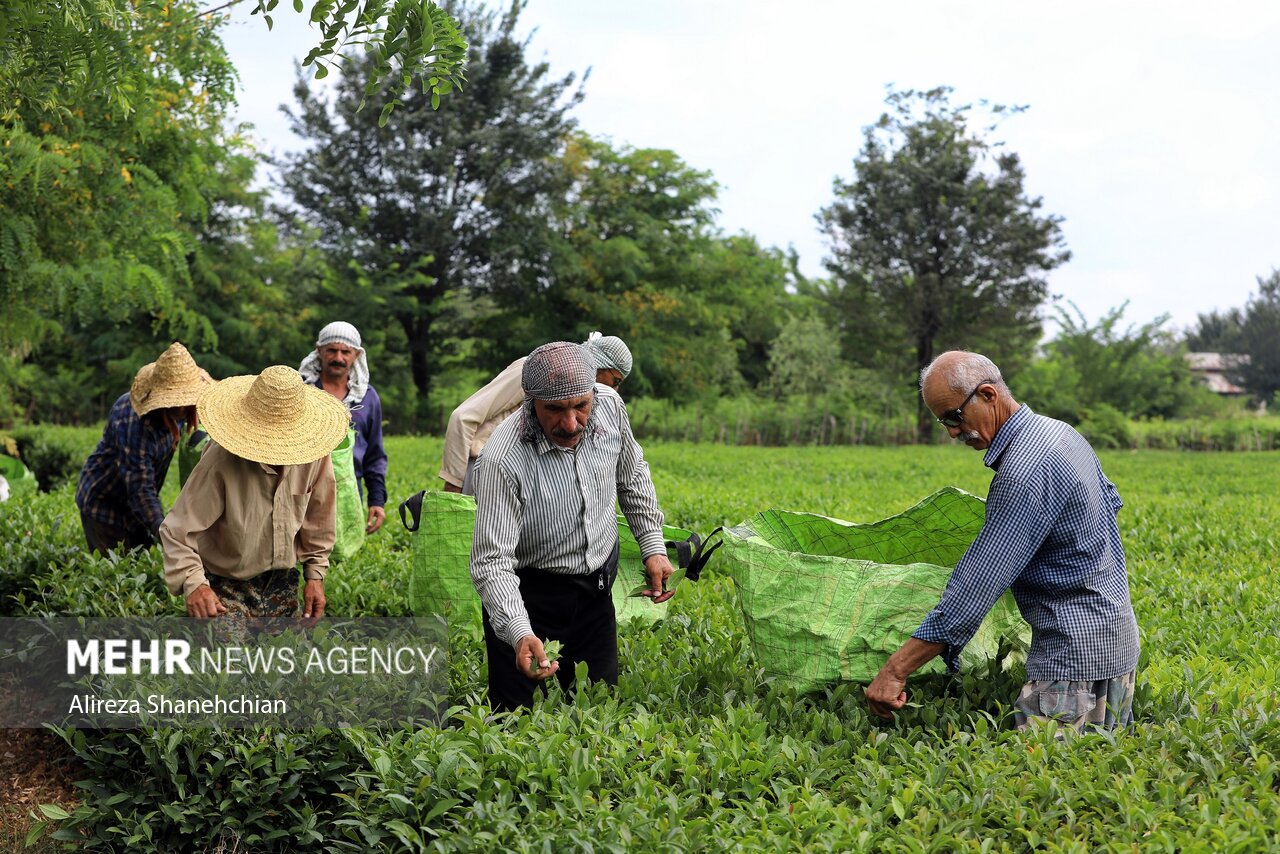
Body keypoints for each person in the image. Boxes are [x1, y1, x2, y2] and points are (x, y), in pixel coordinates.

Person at [866, 350, 1141, 733]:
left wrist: (894, 671)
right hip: (1116, 642)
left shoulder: (1023, 471)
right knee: (1097, 775)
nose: (951, 432)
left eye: (954, 417)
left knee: (1036, 784)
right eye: (942, 422)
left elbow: (974, 589)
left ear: (988, 395)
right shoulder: (1061, 433)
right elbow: (1108, 507)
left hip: (1071, 663)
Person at [469, 341, 672, 712]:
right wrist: (518, 631)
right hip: (530, 595)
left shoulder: (610, 406)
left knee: (598, 708)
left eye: (581, 406)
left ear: (594, 391)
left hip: (595, 591)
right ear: (531, 401)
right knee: (515, 718)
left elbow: (632, 476)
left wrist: (653, 546)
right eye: (555, 410)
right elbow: (491, 560)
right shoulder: (503, 459)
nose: (571, 423)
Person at [159, 365, 350, 625]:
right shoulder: (221, 460)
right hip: (226, 582)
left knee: (290, 657)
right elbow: (176, 532)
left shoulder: (315, 455)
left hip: (282, 580)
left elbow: (319, 520)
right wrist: (195, 585)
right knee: (228, 660)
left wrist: (315, 577)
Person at [440, 332, 633, 494]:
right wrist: (454, 485)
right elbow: (462, 417)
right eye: (615, 381)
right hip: (486, 471)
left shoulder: (583, 400)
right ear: (600, 365)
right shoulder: (535, 369)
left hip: (522, 476)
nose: (614, 391)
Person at [75, 342, 215, 554]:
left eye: (185, 398)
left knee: (144, 564)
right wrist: (166, 534)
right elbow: (140, 489)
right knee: (117, 576)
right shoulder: (135, 421)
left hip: (136, 509)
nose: (180, 406)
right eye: (174, 400)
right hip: (105, 507)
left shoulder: (182, 411)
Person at [299, 321, 388, 533]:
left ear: (356, 355)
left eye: (345, 352)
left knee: (343, 555)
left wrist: (377, 499)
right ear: (319, 351)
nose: (338, 358)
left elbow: (374, 454)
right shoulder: (302, 392)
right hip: (304, 492)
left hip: (349, 490)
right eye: (331, 350)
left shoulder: (367, 397)